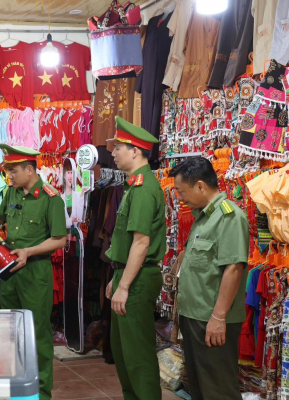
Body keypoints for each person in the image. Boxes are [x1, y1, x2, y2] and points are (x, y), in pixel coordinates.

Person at [0, 144, 67, 400]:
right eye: (8, 171)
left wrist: (29, 251)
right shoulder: (12, 193)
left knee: (37, 332)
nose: (9, 176)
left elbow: (59, 239)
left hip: (35, 273)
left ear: (29, 169)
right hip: (10, 272)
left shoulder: (51, 198)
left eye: (13, 171)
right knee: (12, 332)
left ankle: (41, 392)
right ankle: (16, 386)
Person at [169, 157, 248, 400]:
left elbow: (233, 268)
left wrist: (218, 317)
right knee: (200, 387)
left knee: (218, 389)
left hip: (211, 318)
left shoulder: (229, 216)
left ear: (200, 186)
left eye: (182, 191)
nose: (180, 198)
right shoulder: (203, 217)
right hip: (195, 316)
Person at [104, 116, 166, 400]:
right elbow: (127, 243)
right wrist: (117, 278)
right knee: (123, 352)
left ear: (135, 151)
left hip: (138, 279)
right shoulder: (133, 185)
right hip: (128, 274)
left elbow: (141, 244)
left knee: (138, 355)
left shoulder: (142, 188)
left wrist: (125, 285)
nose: (113, 153)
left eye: (118, 148)